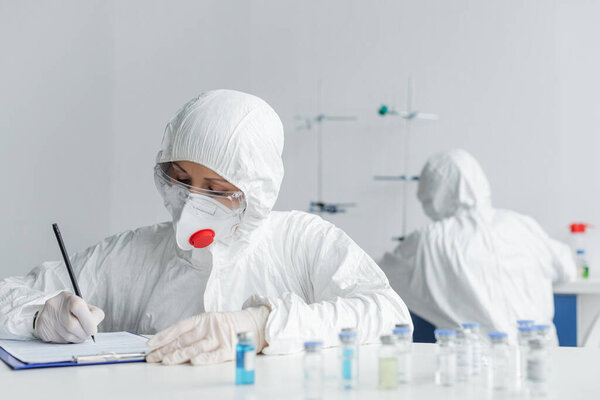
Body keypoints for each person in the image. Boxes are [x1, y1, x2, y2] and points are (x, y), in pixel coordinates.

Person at [0, 90, 411, 365]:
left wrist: (263, 325)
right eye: (181, 179)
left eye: (215, 189)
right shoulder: (132, 254)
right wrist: (38, 315)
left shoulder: (302, 242)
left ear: (258, 190)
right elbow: (8, 294)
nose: (193, 200)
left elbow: (390, 315)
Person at [379, 149, 575, 342]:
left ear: (435, 193)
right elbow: (567, 269)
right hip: (540, 358)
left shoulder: (430, 239)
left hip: (473, 362)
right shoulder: (521, 225)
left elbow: (379, 277)